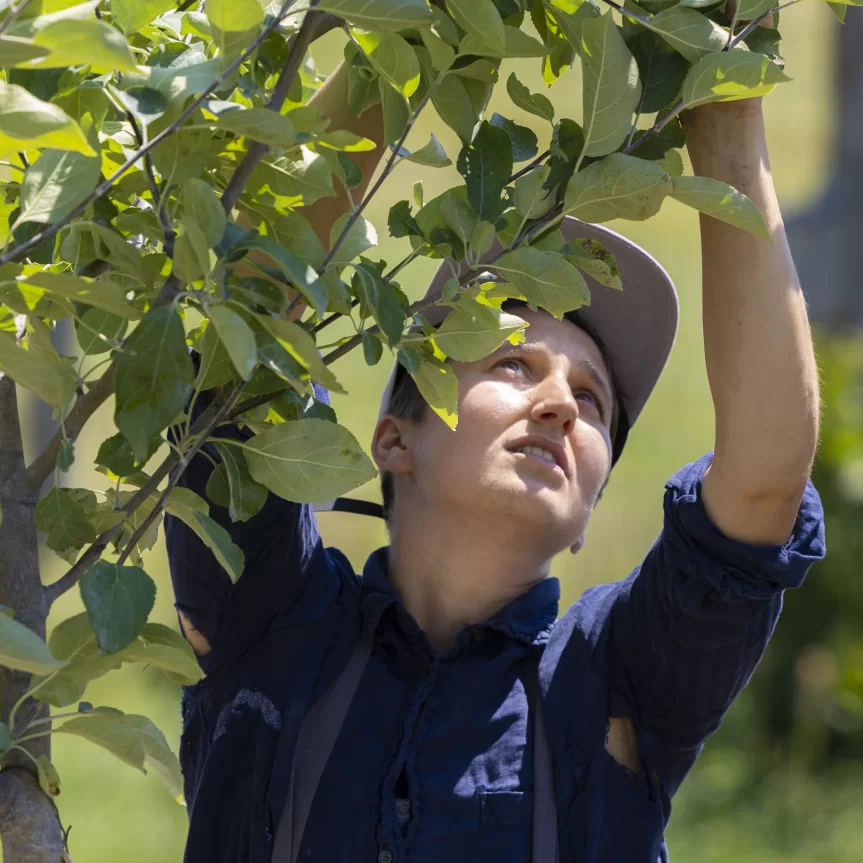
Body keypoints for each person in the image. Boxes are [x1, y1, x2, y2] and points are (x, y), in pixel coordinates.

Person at [164, 80, 823, 863]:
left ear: (587, 512)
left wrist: (728, 128)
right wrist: (419, 19)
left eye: (592, 398)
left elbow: (761, 485)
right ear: (392, 440)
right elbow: (245, 333)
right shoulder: (273, 622)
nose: (560, 406)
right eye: (513, 363)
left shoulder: (607, 681)